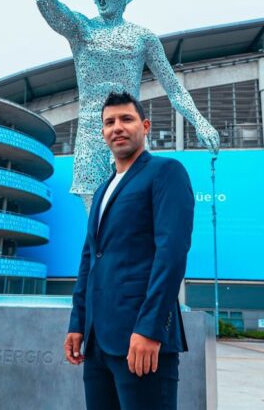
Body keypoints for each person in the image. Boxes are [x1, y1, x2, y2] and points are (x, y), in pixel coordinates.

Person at [37, 0, 219, 211]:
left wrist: (200, 121)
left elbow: (173, 87)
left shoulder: (142, 37)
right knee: (96, 223)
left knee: (131, 214)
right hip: (91, 137)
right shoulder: (81, 30)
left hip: (129, 132)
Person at [64, 91, 194, 410]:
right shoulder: (103, 188)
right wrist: (78, 322)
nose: (117, 127)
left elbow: (171, 253)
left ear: (145, 126)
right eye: (109, 122)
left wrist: (150, 328)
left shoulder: (166, 172)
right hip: (97, 344)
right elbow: (89, 261)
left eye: (126, 119)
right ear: (103, 133)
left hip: (141, 340)